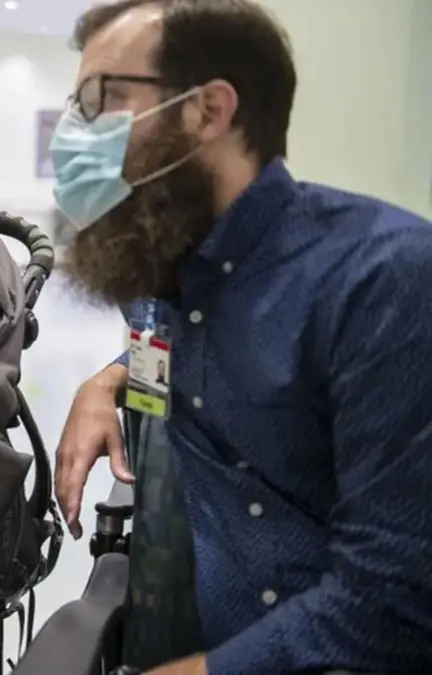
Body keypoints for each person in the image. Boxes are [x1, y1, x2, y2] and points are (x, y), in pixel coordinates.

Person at [48, 1, 432, 674]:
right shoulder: (160, 270)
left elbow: (396, 594)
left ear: (208, 111)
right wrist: (109, 378)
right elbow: (179, 351)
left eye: (103, 98)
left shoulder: (384, 279)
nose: (74, 134)